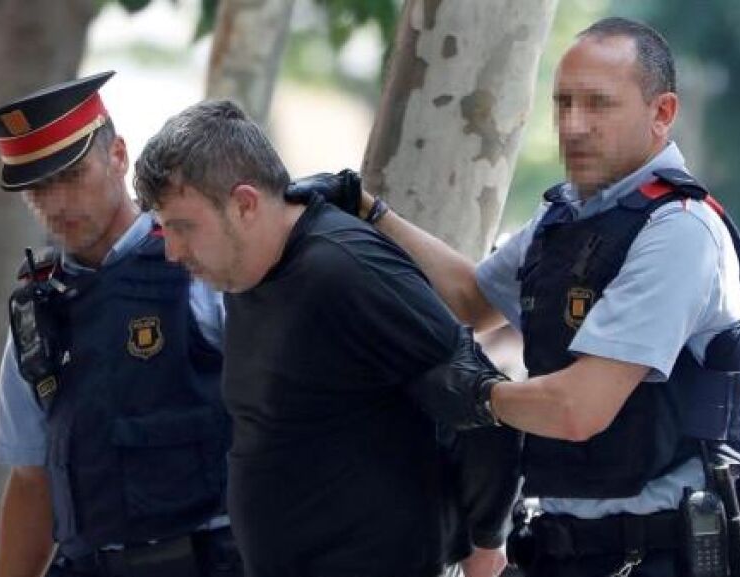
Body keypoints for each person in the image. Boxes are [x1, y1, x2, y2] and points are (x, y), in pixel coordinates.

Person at [298, 17, 740, 577]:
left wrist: (477, 396)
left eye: (598, 104)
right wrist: (369, 211)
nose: (574, 125)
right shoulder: (566, 216)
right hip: (565, 550)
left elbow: (578, 409)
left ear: (661, 113)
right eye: (564, 103)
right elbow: (471, 299)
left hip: (659, 555)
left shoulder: (680, 230)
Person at [133, 100, 522, 577]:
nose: (172, 252)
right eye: (164, 231)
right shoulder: (243, 272)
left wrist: (485, 542)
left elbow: (486, 407)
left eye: (182, 228)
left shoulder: (344, 269)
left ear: (245, 204)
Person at [0, 72, 240, 577]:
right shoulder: (37, 308)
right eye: (37, 188)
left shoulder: (199, 265)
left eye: (72, 175)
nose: (55, 203)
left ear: (118, 156)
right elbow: (31, 480)